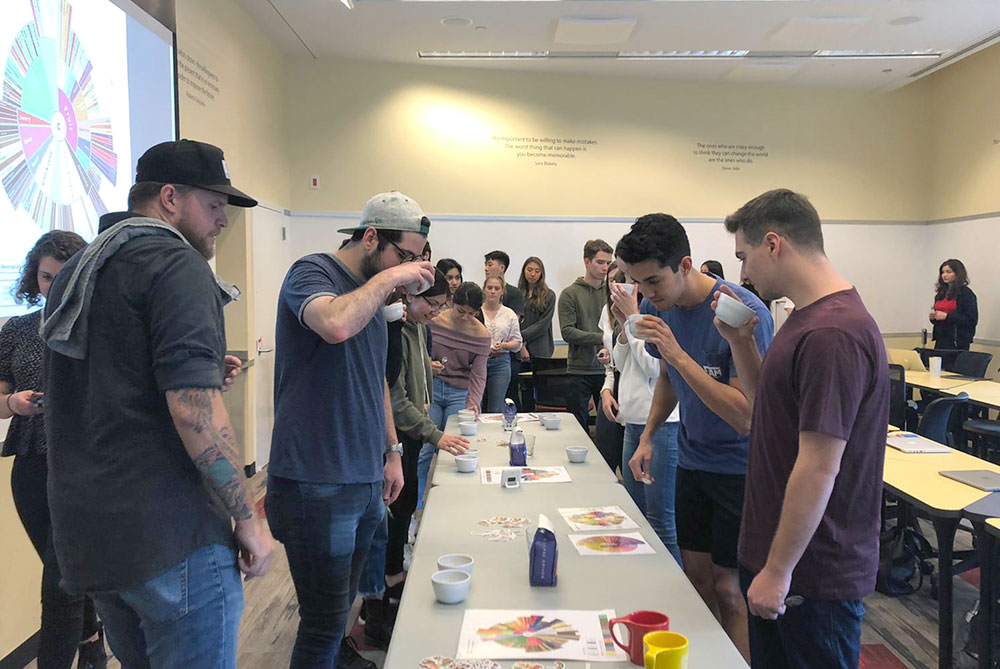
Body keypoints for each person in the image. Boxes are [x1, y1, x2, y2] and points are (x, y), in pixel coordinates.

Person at [41, 139, 274, 667]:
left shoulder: (76, 272)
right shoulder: (178, 265)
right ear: (169, 197)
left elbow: (110, 384)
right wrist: (248, 519)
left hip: (94, 540)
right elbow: (194, 411)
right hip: (172, 538)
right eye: (214, 205)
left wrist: (205, 376)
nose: (222, 221)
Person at [265, 191, 436, 667]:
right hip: (315, 478)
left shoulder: (376, 295)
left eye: (416, 259)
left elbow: (376, 378)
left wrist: (392, 451)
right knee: (321, 622)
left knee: (342, 611)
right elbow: (334, 325)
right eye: (404, 255)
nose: (410, 268)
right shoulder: (312, 272)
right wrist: (392, 278)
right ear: (369, 237)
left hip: (362, 476)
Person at [719, 188, 888, 669]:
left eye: (744, 257)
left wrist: (778, 570)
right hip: (785, 562)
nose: (744, 274)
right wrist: (739, 342)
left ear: (774, 244)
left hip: (809, 574)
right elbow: (768, 409)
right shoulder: (805, 319)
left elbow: (818, 467)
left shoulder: (831, 333)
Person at [616, 214, 773, 662]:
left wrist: (678, 355)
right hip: (692, 461)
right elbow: (668, 377)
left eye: (653, 281)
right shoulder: (655, 308)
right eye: (636, 283)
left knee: (729, 589)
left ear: (685, 265)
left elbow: (747, 415)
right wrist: (647, 436)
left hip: (740, 469)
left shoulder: (742, 313)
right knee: (695, 579)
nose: (646, 294)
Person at [1, 232, 109, 669]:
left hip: (87, 468)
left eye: (64, 278)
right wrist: (12, 403)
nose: (54, 287)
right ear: (34, 276)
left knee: (61, 582)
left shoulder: (105, 329)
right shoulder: (18, 329)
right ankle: (93, 641)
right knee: (65, 573)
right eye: (46, 277)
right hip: (31, 466)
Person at [358, 269, 467, 648]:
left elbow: (417, 385)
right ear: (410, 299)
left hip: (414, 431)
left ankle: (390, 580)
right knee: (387, 521)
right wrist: (434, 433)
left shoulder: (421, 327)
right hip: (399, 435)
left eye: (441, 306)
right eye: (431, 305)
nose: (435, 313)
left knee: (404, 510)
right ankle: (378, 603)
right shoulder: (397, 330)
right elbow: (395, 398)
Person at [601, 271, 682, 564]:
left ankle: (675, 592)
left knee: (660, 520)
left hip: (661, 424)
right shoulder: (636, 316)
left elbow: (653, 367)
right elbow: (621, 363)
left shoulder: (659, 312)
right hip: (633, 420)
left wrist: (633, 317)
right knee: (634, 514)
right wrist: (624, 324)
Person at [417, 282, 491, 505]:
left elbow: (479, 375)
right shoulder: (434, 321)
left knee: (455, 451)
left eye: (471, 313)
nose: (465, 318)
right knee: (424, 450)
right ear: (451, 303)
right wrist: (428, 364)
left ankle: (452, 503)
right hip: (431, 388)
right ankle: (416, 506)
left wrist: (473, 403)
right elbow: (418, 352)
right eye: (461, 311)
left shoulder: (481, 335)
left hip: (460, 391)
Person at [558, 239, 613, 431]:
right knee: (577, 427)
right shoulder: (569, 294)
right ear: (586, 261)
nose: (605, 267)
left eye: (608, 263)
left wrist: (609, 340)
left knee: (610, 426)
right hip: (579, 369)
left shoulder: (613, 293)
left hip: (609, 370)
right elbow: (567, 332)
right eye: (600, 262)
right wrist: (603, 337)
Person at [517, 257, 556, 410]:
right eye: (530, 270)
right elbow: (513, 322)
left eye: (537, 271)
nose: (533, 274)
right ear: (524, 271)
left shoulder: (549, 295)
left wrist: (521, 338)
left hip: (541, 348)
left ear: (542, 273)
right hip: (519, 349)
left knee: (541, 390)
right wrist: (520, 345)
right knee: (523, 390)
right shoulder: (516, 294)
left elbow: (542, 324)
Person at [481, 275, 523, 412]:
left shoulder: (509, 314)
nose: (493, 291)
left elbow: (517, 343)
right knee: (475, 403)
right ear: (484, 290)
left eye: (496, 288)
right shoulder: (476, 311)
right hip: (478, 362)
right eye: (489, 288)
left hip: (501, 362)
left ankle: (493, 433)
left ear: (502, 292)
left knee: (496, 406)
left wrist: (503, 345)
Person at [930, 258, 978, 350]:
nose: (944, 275)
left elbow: (971, 320)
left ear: (957, 273)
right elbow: (940, 317)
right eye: (942, 272)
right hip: (941, 338)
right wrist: (934, 318)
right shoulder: (941, 293)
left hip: (958, 340)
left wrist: (947, 316)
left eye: (948, 272)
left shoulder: (966, 293)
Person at [484, 250, 525, 317]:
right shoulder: (482, 292)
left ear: (502, 268)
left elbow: (514, 322)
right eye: (485, 265)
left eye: (489, 265)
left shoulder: (515, 293)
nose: (486, 269)